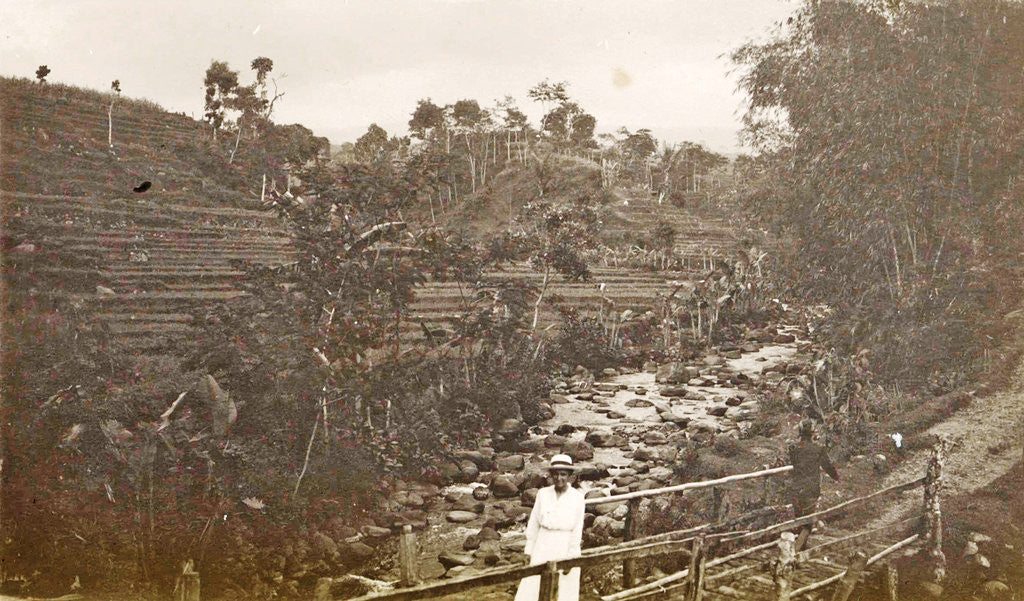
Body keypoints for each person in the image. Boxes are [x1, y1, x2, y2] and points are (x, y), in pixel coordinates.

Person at [514, 454, 586, 601]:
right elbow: (533, 524)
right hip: (543, 545)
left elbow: (577, 529)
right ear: (551, 475)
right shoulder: (543, 494)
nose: (559, 478)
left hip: (565, 546)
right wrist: (528, 551)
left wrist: (571, 558)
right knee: (533, 585)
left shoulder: (577, 497)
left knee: (564, 589)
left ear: (570, 476)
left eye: (563, 474)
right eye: (555, 474)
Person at [788, 419, 839, 551]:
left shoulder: (793, 448)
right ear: (812, 433)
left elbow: (795, 461)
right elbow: (827, 466)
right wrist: (836, 477)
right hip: (811, 490)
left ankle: (799, 552)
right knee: (808, 525)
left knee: (800, 522)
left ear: (800, 432)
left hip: (796, 489)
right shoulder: (819, 449)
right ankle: (795, 553)